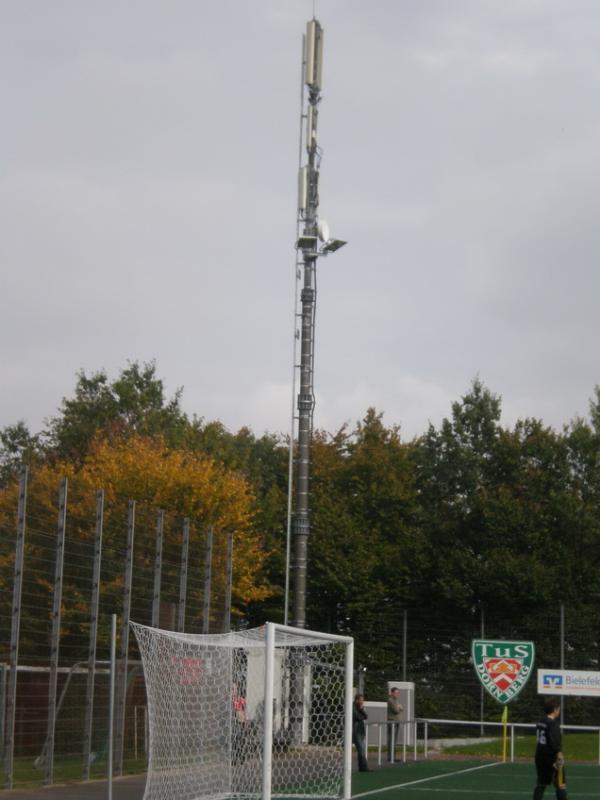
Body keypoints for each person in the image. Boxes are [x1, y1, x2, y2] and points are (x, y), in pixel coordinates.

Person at [533, 698, 568, 800]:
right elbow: (554, 742)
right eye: (558, 709)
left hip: (540, 756)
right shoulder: (553, 724)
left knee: (541, 783)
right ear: (554, 710)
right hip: (551, 758)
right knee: (560, 783)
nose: (559, 711)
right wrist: (559, 754)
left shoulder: (541, 721)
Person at [352, 694, 370, 772]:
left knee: (361, 750)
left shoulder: (360, 707)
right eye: (361, 700)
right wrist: (361, 714)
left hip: (360, 730)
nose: (362, 701)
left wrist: (362, 710)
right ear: (357, 700)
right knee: (361, 750)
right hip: (356, 731)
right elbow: (358, 717)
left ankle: (362, 768)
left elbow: (366, 716)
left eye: (363, 700)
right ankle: (365, 767)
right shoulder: (353, 707)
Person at [387, 687, 403, 763]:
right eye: (396, 693)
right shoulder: (390, 700)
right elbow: (396, 710)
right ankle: (391, 757)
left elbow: (402, 708)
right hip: (392, 722)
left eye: (398, 693)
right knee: (392, 739)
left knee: (394, 740)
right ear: (392, 693)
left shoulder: (396, 700)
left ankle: (393, 756)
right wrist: (399, 707)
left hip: (396, 722)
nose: (397, 694)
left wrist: (399, 707)